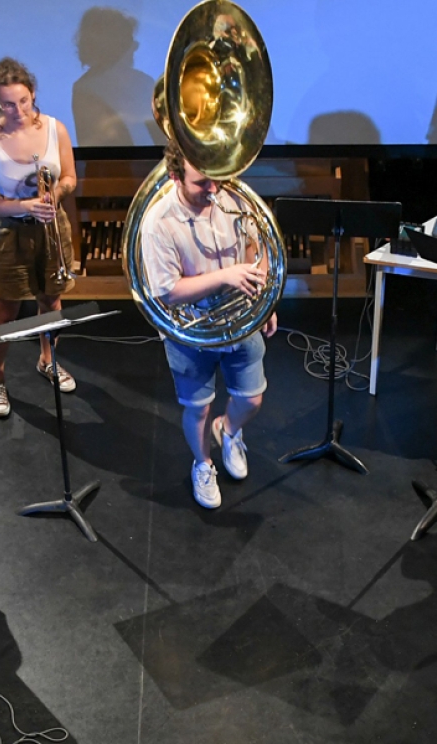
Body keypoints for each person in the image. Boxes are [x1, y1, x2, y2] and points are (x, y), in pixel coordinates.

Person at [138, 140, 277, 510]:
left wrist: (261, 298)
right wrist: (226, 276)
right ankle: (203, 464)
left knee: (252, 398)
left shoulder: (232, 197)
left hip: (239, 321)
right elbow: (167, 292)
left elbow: (254, 246)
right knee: (198, 408)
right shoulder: (158, 223)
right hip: (192, 331)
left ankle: (229, 431)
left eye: (216, 178)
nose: (213, 189)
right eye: (202, 182)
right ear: (175, 177)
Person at [0, 57, 79, 418]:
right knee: (4, 311)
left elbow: (69, 177)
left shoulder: (55, 129)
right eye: (7, 103)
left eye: (23, 101)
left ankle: (47, 361)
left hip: (51, 228)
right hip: (8, 235)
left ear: (33, 94)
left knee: (51, 300)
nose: (17, 110)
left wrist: (55, 195)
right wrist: (24, 206)